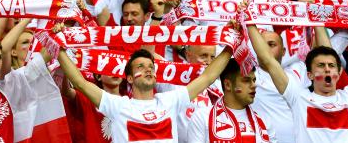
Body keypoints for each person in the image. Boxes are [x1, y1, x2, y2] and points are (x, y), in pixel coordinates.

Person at [57, 47, 233, 143]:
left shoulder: (171, 100)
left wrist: (230, 46)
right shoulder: (118, 105)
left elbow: (208, 77)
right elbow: (79, 83)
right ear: (130, 78)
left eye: (151, 67)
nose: (148, 70)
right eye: (140, 67)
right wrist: (57, 46)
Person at [248, 24, 348, 143]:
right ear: (310, 75)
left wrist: (317, 21)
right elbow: (268, 60)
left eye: (331, 65)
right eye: (321, 65)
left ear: (339, 73)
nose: (327, 69)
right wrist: (249, 22)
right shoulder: (298, 98)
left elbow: (329, 55)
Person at [187, 59, 277, 143]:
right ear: (227, 85)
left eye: (254, 80)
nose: (254, 85)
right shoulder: (202, 117)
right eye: (246, 80)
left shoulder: (265, 120)